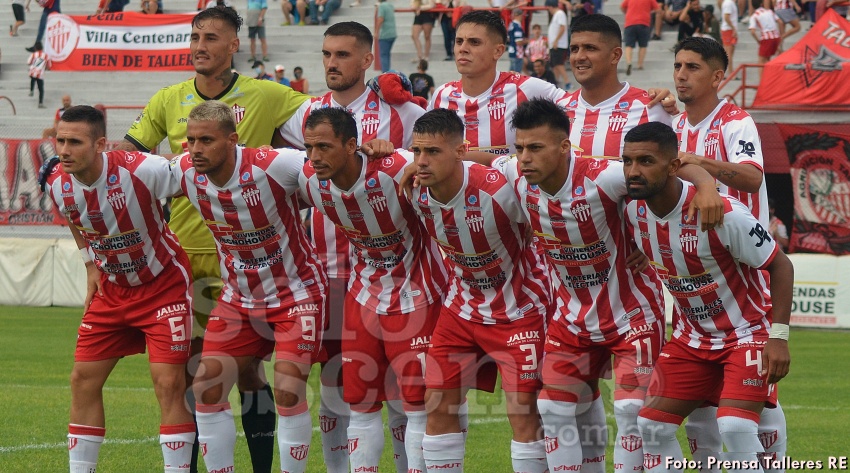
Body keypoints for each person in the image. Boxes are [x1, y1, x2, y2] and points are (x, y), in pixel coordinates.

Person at [118, 6, 310, 473]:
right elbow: (128, 157)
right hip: (183, 255)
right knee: (193, 369)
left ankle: (262, 466)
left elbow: (326, 131)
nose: (199, 45)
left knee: (245, 370)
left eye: (211, 38)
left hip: (250, 261)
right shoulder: (169, 99)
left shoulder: (267, 95)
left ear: (232, 46)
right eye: (194, 37)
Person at [486, 98, 720, 473]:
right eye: (520, 148)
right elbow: (482, 159)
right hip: (571, 318)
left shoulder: (603, 176)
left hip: (632, 315)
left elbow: (673, 167)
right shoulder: (516, 174)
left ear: (565, 147)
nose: (525, 158)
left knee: (630, 409)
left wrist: (705, 187)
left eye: (535, 148)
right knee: (552, 407)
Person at [276, 21, 427, 473]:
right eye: (326, 54)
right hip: (325, 271)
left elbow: (438, 160)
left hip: (398, 273)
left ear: (366, 60)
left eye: (342, 55)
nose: (331, 63)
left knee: (404, 387)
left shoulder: (402, 113)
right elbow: (281, 169)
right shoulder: (302, 113)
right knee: (338, 383)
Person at [623, 121, 794, 473]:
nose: (633, 171)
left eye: (645, 161)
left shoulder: (723, 214)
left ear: (673, 167)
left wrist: (778, 338)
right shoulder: (631, 209)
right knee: (651, 426)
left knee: (735, 426)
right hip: (691, 339)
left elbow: (781, 266)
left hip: (746, 334)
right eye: (627, 161)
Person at [171, 101, 326, 473]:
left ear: (232, 139)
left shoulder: (276, 164)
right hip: (238, 299)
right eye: (190, 140)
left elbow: (332, 168)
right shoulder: (185, 171)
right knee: (206, 388)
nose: (195, 149)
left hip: (296, 294)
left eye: (206, 140)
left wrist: (376, 150)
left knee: (289, 390)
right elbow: (129, 178)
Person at [41, 105, 195, 473]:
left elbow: (194, 173)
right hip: (112, 291)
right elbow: (76, 220)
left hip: (164, 286)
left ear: (100, 145)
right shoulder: (56, 182)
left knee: (168, 384)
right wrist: (90, 264)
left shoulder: (140, 169)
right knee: (82, 379)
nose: (64, 150)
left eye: (75, 142)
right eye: (60, 140)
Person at [297, 107, 448, 473]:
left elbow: (454, 160)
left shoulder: (395, 167)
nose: (315, 157)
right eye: (309, 147)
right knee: (360, 405)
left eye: (324, 147)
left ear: (352, 145)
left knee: (415, 405)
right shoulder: (306, 176)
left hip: (418, 296)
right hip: (362, 297)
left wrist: (395, 150)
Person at [409, 108, 550, 473]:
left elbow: (558, 207)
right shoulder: (412, 187)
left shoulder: (501, 189)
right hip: (460, 309)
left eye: (433, 152)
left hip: (520, 312)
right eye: (417, 152)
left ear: (460, 151)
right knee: (437, 404)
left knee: (524, 413)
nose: (422, 162)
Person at [672, 36, 789, 471]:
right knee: (702, 390)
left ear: (719, 76)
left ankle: (774, 464)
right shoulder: (675, 125)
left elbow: (751, 178)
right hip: (695, 272)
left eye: (693, 67)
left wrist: (700, 164)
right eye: (679, 66)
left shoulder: (735, 122)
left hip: (744, 271)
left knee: (756, 398)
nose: (682, 74)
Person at [430, 10, 568, 157]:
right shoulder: (441, 95)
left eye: (474, 42)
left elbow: (577, 107)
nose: (463, 49)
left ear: (498, 51)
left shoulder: (523, 88)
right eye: (459, 41)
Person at [621, 0, 660, 74]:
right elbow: (657, 9)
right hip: (644, 23)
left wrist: (627, 12)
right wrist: (649, 12)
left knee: (628, 45)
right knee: (643, 45)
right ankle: (640, 64)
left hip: (630, 23)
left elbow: (622, 7)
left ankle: (629, 62)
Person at [545, 0, 571, 88]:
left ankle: (567, 81)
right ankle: (556, 82)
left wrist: (556, 40)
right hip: (555, 44)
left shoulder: (560, 14)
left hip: (559, 44)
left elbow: (562, 28)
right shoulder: (556, 15)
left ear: (550, 6)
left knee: (559, 64)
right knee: (554, 65)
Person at [27, 41, 50, 109]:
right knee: (41, 89)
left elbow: (28, 62)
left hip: (33, 72)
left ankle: (31, 90)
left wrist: (34, 63)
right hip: (40, 74)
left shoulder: (33, 54)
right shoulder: (46, 55)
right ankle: (40, 103)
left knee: (32, 78)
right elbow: (48, 66)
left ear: (35, 48)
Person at [376, 0, 397, 72]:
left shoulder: (381, 6)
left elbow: (380, 19)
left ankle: (385, 74)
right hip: (393, 33)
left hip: (385, 34)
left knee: (384, 55)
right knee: (387, 54)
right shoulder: (390, 5)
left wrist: (376, 32)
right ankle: (387, 72)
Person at [721, 0, 738, 75]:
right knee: (728, 53)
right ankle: (730, 73)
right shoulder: (728, 3)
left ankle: (730, 71)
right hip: (728, 30)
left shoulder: (731, 3)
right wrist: (733, 28)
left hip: (730, 30)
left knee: (730, 53)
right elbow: (726, 17)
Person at [507, 8, 526, 73]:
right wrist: (527, 41)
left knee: (511, 73)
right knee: (516, 74)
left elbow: (508, 38)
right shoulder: (517, 26)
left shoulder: (511, 25)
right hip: (517, 53)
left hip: (512, 51)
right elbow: (519, 42)